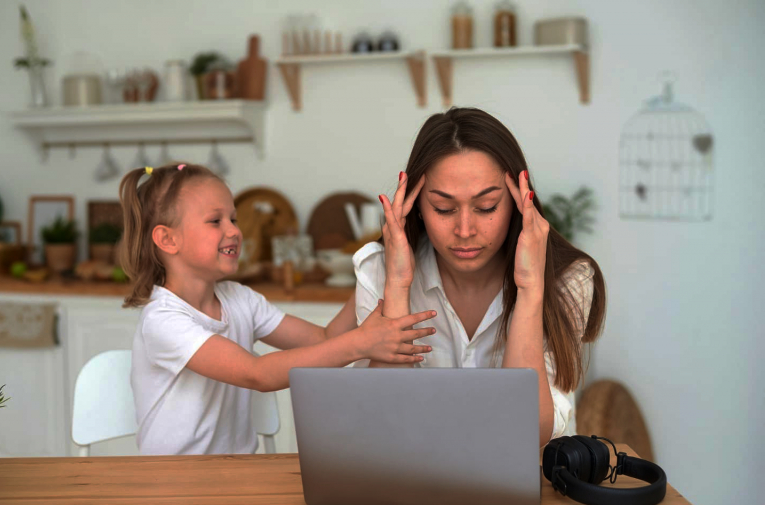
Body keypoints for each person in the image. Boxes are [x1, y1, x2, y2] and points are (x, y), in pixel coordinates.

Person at [117, 163, 436, 455]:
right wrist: (361, 343)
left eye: (234, 218)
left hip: (233, 479)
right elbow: (258, 375)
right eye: (216, 221)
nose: (233, 231)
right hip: (172, 485)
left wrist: (381, 256)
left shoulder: (240, 299)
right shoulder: (162, 320)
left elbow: (324, 339)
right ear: (167, 239)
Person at [350, 108, 606, 447]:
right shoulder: (379, 271)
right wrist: (397, 287)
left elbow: (528, 436)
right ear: (414, 205)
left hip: (533, 487)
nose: (465, 230)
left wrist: (530, 290)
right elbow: (381, 423)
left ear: (518, 201)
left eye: (486, 207)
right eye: (443, 208)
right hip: (413, 483)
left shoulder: (568, 280)